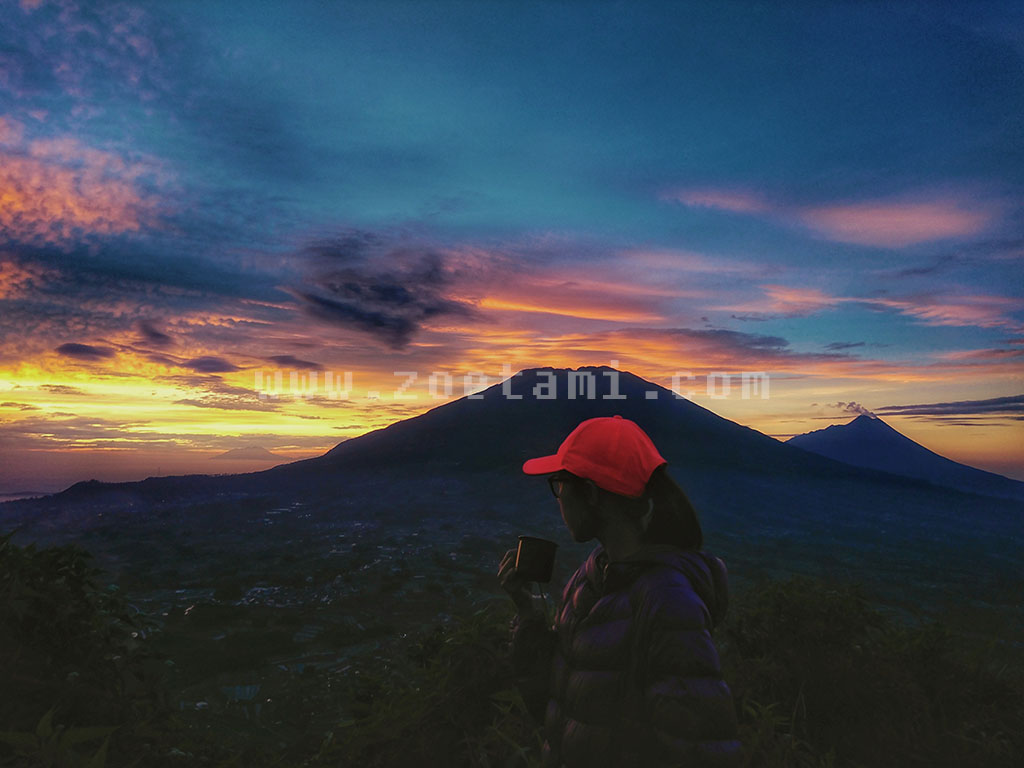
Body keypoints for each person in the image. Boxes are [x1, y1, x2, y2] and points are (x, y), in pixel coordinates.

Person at [498, 415, 741, 767]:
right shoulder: (590, 580)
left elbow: (704, 752)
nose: (558, 500)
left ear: (592, 494)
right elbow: (562, 711)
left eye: (559, 486)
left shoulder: (669, 605)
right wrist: (530, 616)